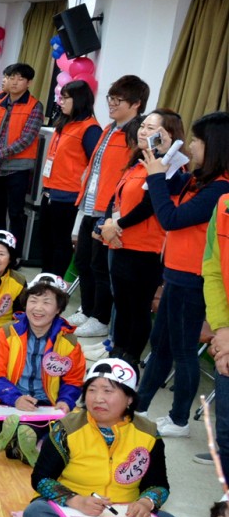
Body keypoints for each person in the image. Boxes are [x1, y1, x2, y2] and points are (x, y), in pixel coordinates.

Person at [22, 358, 181, 517]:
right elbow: (41, 478)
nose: (98, 398)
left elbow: (159, 485)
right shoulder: (66, 428)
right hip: (72, 512)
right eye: (92, 390)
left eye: (108, 391)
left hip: (123, 516)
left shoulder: (148, 433)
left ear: (129, 398)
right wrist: (75, 500)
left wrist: (145, 503)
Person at [139, 112, 229, 435]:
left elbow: (171, 219)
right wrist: (164, 156)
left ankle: (179, 420)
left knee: (183, 349)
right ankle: (139, 406)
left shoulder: (220, 190)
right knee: (161, 343)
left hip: (194, 279)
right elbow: (173, 185)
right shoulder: (200, 179)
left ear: (214, 146)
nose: (191, 145)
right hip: (176, 273)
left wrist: (154, 177)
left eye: (197, 140)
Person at [70, 75, 149, 339]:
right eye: (110, 98)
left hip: (109, 211)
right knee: (83, 261)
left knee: (100, 267)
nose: (112, 104)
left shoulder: (134, 134)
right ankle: (88, 308)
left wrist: (112, 216)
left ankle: (100, 318)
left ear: (136, 104)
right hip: (91, 205)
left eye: (118, 100)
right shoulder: (109, 129)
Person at [0, 274, 84, 463]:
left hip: (46, 402)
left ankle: (15, 439)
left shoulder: (69, 342)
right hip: (5, 396)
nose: (38, 308)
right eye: (33, 300)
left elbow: (73, 380)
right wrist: (15, 398)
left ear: (58, 308)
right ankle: (21, 439)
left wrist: (65, 401)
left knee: (63, 425)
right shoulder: (6, 333)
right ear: (25, 304)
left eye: (46, 302)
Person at [101, 111, 182, 365]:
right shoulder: (138, 161)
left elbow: (149, 206)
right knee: (122, 305)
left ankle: (130, 360)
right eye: (142, 126)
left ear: (167, 134)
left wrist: (117, 225)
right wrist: (108, 224)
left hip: (146, 250)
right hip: (121, 243)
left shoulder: (169, 166)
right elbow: (117, 197)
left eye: (150, 128)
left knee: (138, 308)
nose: (142, 131)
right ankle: (116, 356)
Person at [36, 82, 99, 278]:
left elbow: (95, 165)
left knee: (60, 241)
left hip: (68, 195)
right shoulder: (65, 122)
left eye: (65, 98)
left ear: (78, 100)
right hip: (49, 190)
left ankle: (55, 282)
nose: (60, 102)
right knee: (45, 238)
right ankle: (45, 278)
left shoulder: (90, 128)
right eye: (60, 97)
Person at [0, 62, 42, 238]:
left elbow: (26, 139)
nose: (15, 82)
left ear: (29, 83)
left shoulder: (35, 106)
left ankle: (14, 250)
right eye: (12, 77)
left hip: (17, 169)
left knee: (15, 213)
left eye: (20, 79)